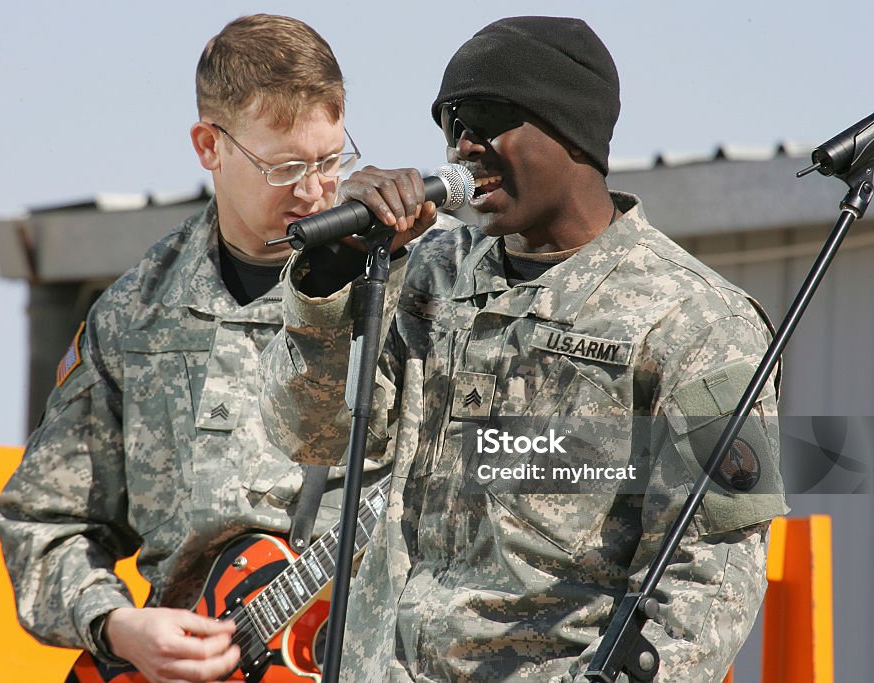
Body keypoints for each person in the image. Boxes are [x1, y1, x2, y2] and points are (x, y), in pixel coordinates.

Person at [260, 16, 788, 682]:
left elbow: (711, 582)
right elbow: (309, 436)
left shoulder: (701, 321)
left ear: (571, 126)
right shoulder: (426, 275)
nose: (463, 149)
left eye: (485, 120)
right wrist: (337, 273)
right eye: (451, 126)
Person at [0, 14, 389, 683]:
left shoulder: (400, 280)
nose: (314, 188)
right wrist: (118, 624)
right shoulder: (132, 313)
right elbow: (43, 519)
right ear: (209, 146)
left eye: (328, 160)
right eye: (286, 166)